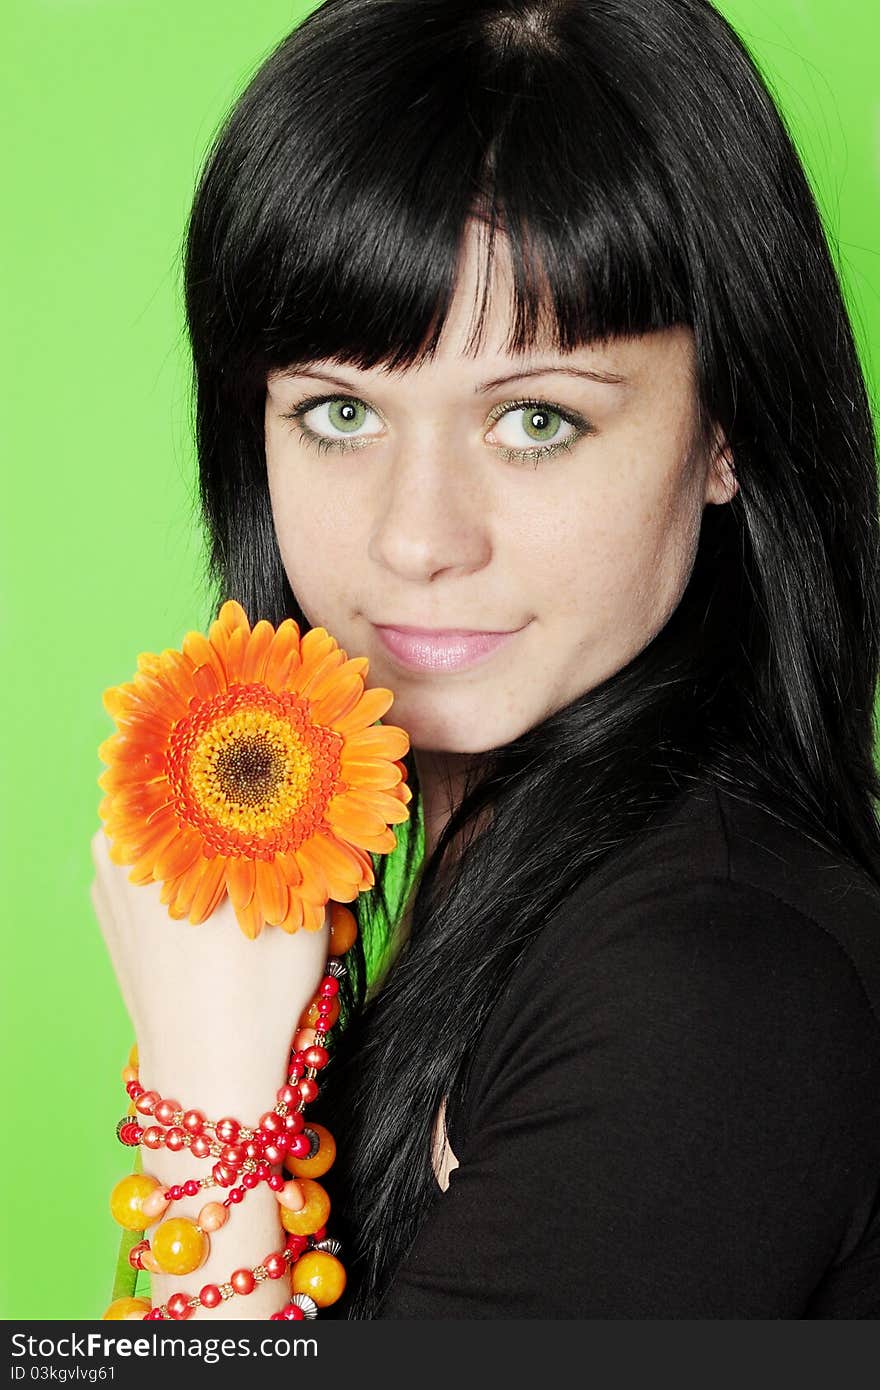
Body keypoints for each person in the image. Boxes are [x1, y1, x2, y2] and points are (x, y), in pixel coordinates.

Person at [90, 0, 880, 1319]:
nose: (417, 538)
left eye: (534, 418)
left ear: (725, 428)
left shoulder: (711, 994)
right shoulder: (478, 873)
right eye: (339, 410)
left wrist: (207, 1117)